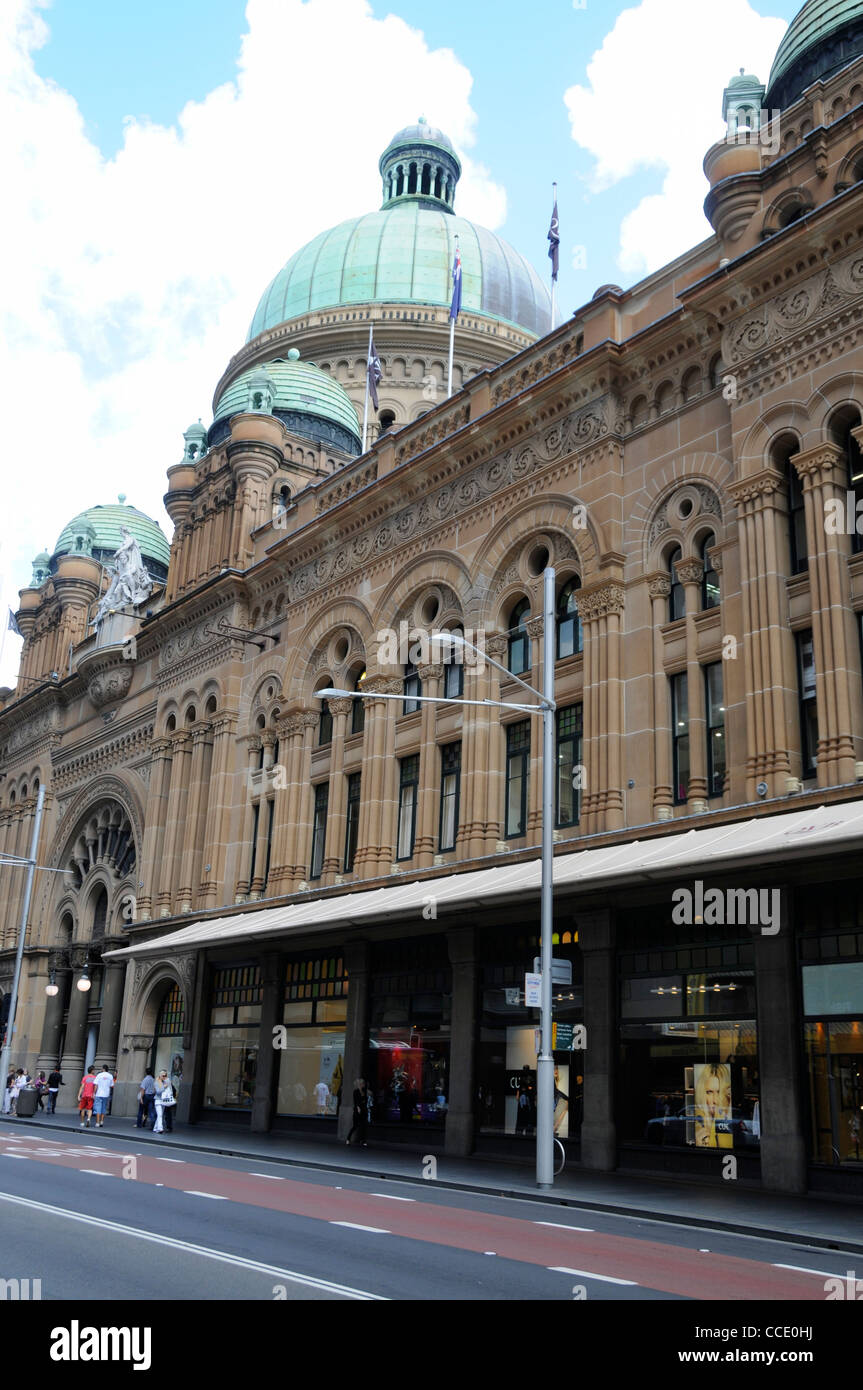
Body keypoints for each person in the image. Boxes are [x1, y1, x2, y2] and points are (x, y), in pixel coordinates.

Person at [345, 1078, 368, 1146]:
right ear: (359, 1084)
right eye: (362, 1084)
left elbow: (365, 1100)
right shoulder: (355, 1091)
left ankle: (363, 1141)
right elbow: (356, 1101)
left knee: (363, 1126)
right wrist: (358, 1108)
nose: (363, 1085)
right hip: (357, 1111)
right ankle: (348, 1139)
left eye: (363, 1083)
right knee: (355, 1126)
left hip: (364, 1110)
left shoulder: (365, 1091)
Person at [153, 1070, 175, 1134]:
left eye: (165, 1075)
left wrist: (167, 1083)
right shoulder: (157, 1082)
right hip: (158, 1100)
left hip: (163, 1101)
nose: (164, 1077)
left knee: (160, 1115)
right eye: (163, 1075)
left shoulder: (166, 1081)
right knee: (159, 1114)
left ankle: (155, 1128)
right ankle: (160, 1129)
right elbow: (158, 1092)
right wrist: (164, 1087)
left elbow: (170, 1090)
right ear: (160, 1076)